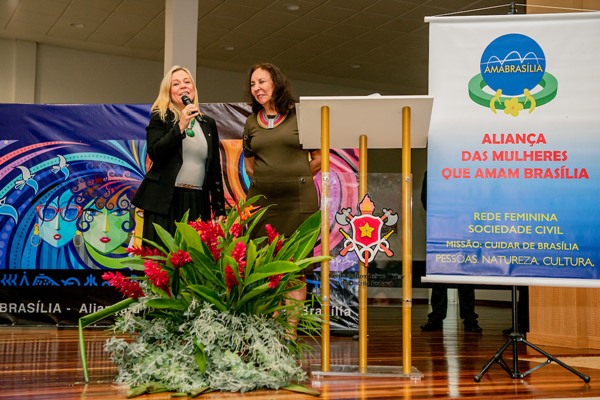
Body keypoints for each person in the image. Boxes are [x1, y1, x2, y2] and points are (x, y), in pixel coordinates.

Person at [242, 62, 320, 336]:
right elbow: (250, 166)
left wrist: (295, 177)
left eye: (261, 82)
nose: (257, 88)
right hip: (263, 204)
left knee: (295, 269)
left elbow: (320, 158)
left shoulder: (302, 116)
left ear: (276, 83)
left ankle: (289, 333)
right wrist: (270, 179)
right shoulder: (251, 123)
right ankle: (270, 332)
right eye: (253, 84)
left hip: (298, 204)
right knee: (266, 268)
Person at [133, 65, 226, 246]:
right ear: (169, 91)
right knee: (163, 262)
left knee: (194, 262)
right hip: (166, 201)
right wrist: (180, 126)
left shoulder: (207, 123)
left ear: (193, 88)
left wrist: (219, 208)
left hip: (197, 201)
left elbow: (214, 168)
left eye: (187, 82)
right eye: (176, 84)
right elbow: (155, 153)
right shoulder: (161, 116)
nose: (183, 86)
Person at [420, 171, 482, 333]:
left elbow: (475, 199)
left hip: (464, 228)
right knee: (439, 274)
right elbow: (425, 200)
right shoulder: (432, 172)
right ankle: (437, 317)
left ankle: (469, 318)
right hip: (440, 228)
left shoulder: (466, 172)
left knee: (465, 275)